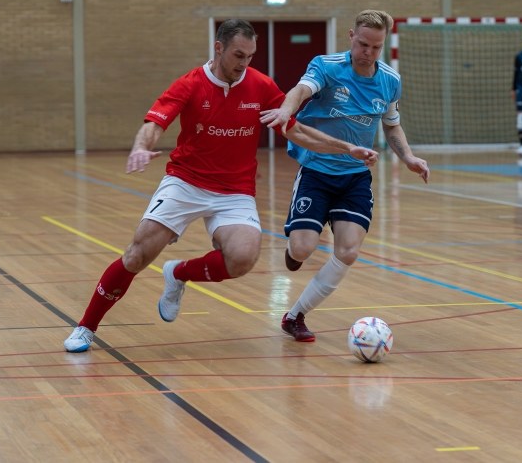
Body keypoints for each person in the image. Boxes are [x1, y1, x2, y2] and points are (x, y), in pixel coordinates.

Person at [63, 19, 378, 352]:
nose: (244, 64)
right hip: (186, 182)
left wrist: (348, 148)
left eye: (250, 57)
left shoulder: (260, 87)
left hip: (234, 191)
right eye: (238, 55)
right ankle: (86, 326)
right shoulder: (190, 84)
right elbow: (155, 123)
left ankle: (178, 273)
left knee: (243, 257)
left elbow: (297, 131)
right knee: (137, 254)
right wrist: (142, 147)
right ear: (219, 48)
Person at [260, 9, 430, 342]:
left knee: (348, 252)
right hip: (317, 172)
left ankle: (295, 315)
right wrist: (285, 108)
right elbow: (301, 90)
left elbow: (391, 124)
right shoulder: (327, 66)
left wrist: (407, 156)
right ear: (351, 36)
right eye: (363, 44)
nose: (368, 53)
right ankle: (295, 250)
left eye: (376, 47)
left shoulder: (389, 80)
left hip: (355, 177)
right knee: (302, 249)